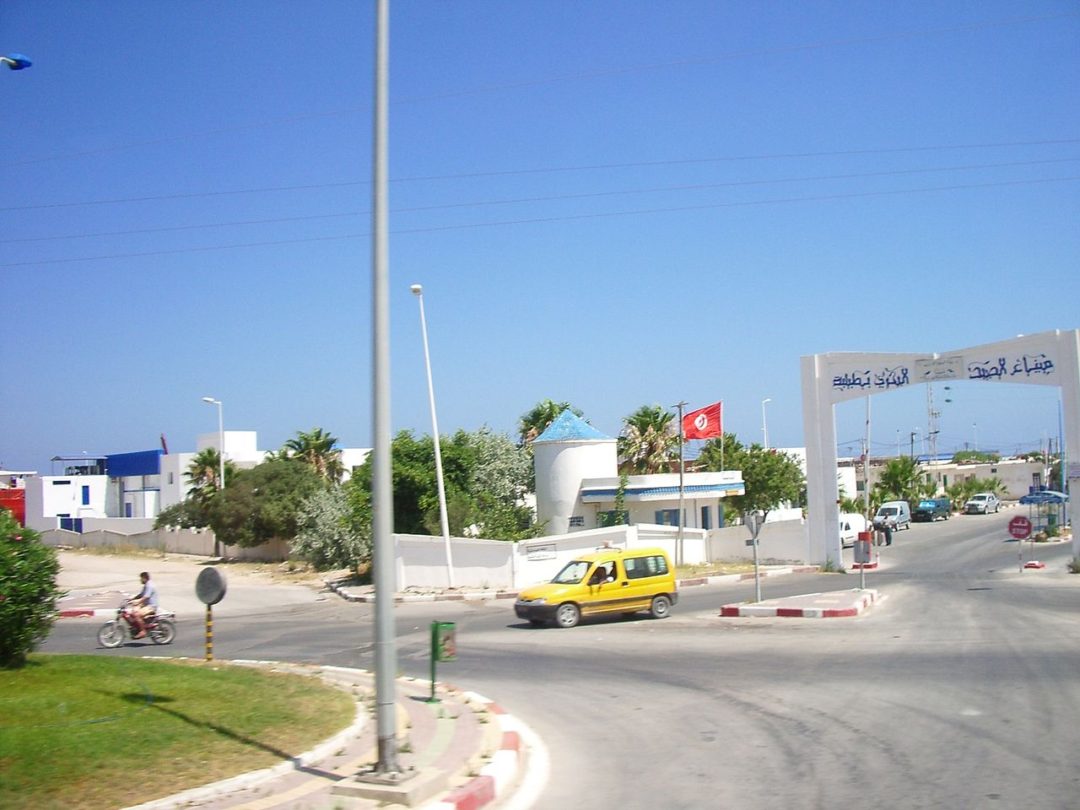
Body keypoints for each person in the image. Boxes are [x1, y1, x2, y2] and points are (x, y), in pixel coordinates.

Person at [129, 571, 159, 639]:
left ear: (144, 578)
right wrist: (132, 599)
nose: (140, 580)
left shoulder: (150, 585)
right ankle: (137, 627)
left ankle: (143, 631)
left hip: (151, 606)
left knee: (136, 614)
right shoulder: (146, 585)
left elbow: (146, 597)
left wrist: (138, 602)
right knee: (133, 611)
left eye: (141, 578)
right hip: (146, 605)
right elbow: (141, 595)